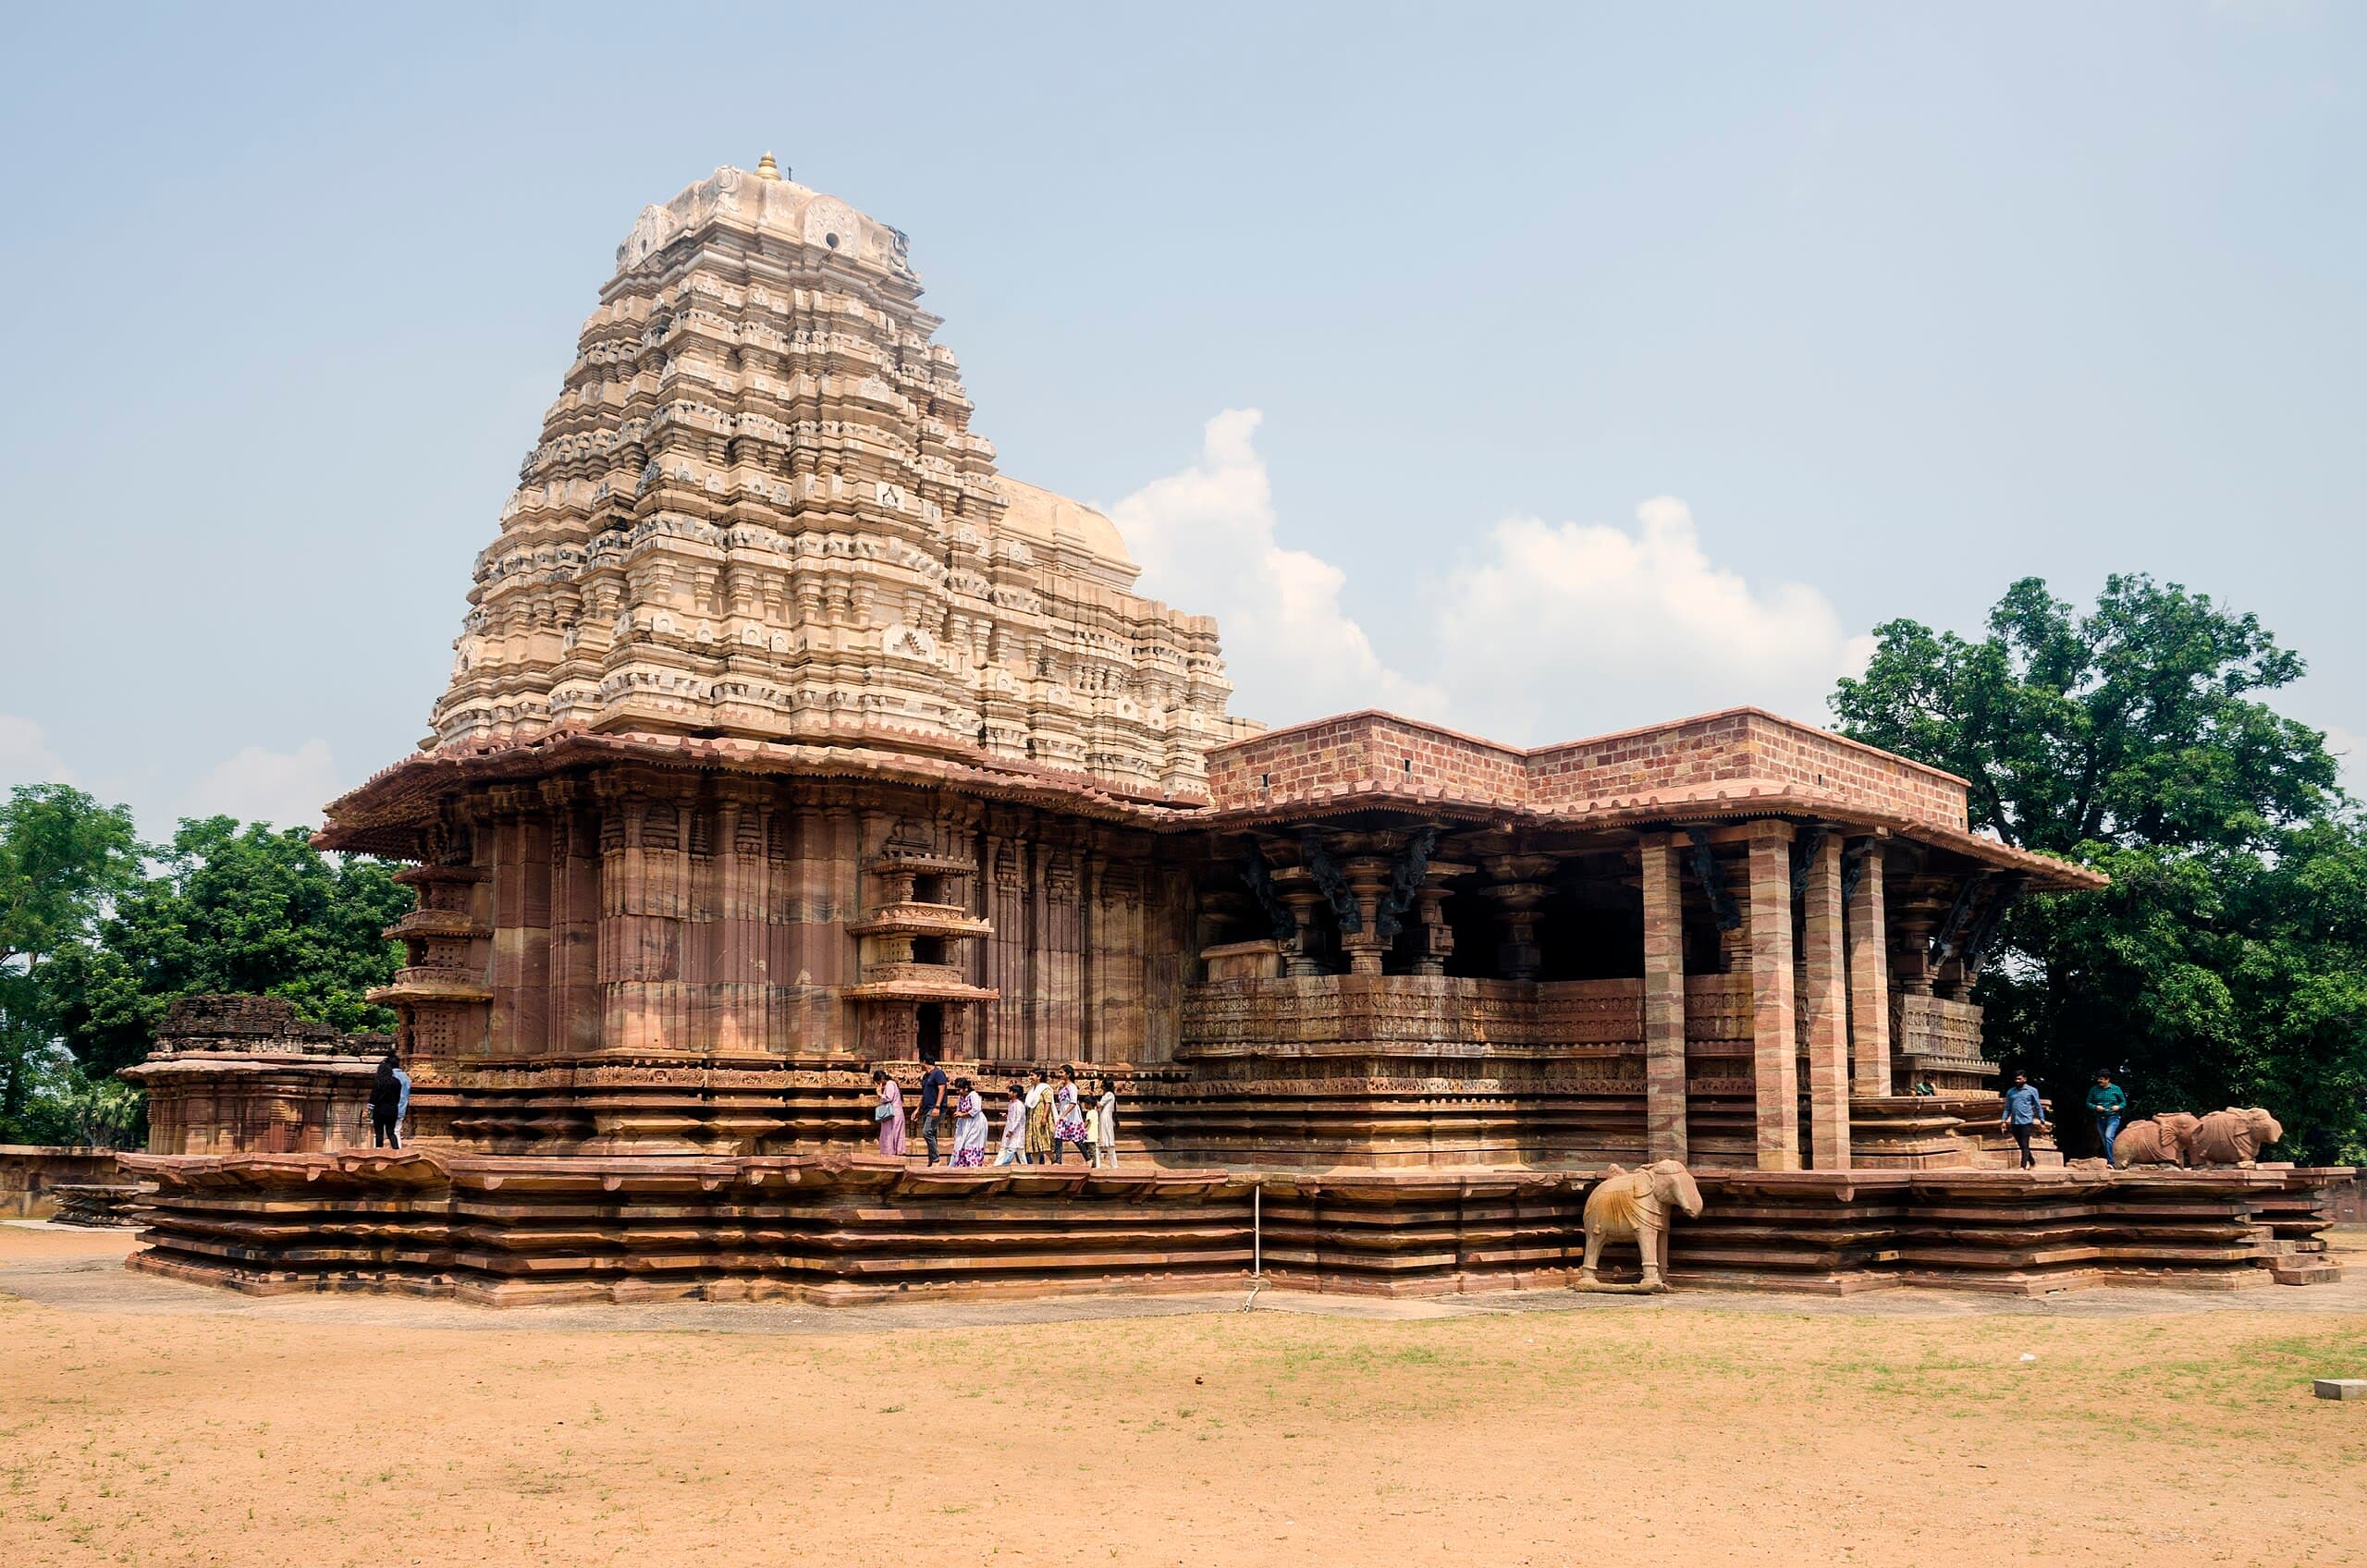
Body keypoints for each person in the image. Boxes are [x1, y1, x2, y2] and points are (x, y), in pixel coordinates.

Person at [1999, 1071, 2047, 1170]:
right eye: (2016, 1079)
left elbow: (2038, 1106)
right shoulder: (2011, 1092)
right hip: (2015, 1121)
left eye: (2019, 1079)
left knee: (2025, 1143)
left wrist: (2042, 1121)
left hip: (2026, 1120)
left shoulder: (2032, 1090)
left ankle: (2023, 1166)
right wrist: (2003, 1121)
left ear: (2025, 1079)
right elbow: (2007, 1107)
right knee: (2021, 1144)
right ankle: (2032, 1162)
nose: (2017, 1081)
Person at [1051, 1066, 1091, 1165]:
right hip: (1063, 1113)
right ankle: (1058, 1161)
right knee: (1058, 1136)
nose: (1060, 1075)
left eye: (1062, 1072)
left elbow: (1073, 1103)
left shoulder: (1072, 1087)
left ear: (1068, 1074)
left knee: (1076, 1138)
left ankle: (1088, 1159)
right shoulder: (1064, 1087)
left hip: (1071, 1115)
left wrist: (1064, 1114)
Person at [2087, 1071, 2128, 1167]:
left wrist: (2118, 1107)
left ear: (2107, 1079)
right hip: (2100, 1118)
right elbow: (2088, 1102)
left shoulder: (2116, 1089)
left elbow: (2124, 1102)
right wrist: (2095, 1107)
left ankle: (2111, 1162)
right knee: (2104, 1140)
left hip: (2113, 1117)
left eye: (2101, 1079)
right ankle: (2113, 1159)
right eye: (2098, 1078)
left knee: (2109, 1137)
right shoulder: (2094, 1089)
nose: (2099, 1081)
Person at [368, 1054, 409, 1149]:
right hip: (393, 1110)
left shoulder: (378, 1082)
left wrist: (370, 1109)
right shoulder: (397, 1082)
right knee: (391, 1133)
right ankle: (396, 1151)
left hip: (379, 1110)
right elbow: (398, 1098)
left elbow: (373, 1097)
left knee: (379, 1133)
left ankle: (378, 1152)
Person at [949, 1077, 989, 1168]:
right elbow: (959, 1109)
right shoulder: (961, 1097)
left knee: (970, 1143)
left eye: (959, 1090)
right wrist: (958, 1115)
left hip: (976, 1123)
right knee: (961, 1143)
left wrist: (962, 1115)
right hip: (964, 1124)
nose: (957, 1092)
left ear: (966, 1088)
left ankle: (973, 1165)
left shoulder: (973, 1095)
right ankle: (962, 1165)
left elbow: (976, 1110)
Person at [917, 1060, 950, 1166]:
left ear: (924, 1062)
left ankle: (936, 1159)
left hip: (936, 1108)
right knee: (932, 1133)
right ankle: (932, 1161)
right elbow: (924, 1094)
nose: (919, 1065)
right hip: (926, 1108)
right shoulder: (926, 1076)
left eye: (920, 1063)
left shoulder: (938, 1073)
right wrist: (918, 1109)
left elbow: (942, 1090)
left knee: (927, 1132)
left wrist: (937, 1107)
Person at [872, 1070, 908, 1158]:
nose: (878, 1084)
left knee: (890, 1133)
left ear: (882, 1078)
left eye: (878, 1082)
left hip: (893, 1114)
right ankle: (897, 1151)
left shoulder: (890, 1084)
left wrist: (879, 1094)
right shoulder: (891, 1084)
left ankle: (891, 1152)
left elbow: (888, 1098)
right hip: (895, 1113)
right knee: (895, 1133)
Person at [994, 1081, 1028, 1167]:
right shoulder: (1011, 1104)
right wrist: (1007, 1115)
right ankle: (997, 1166)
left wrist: (1011, 1131)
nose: (1008, 1093)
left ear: (1015, 1093)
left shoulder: (1019, 1105)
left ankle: (1002, 1166)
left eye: (1010, 1091)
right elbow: (1013, 1117)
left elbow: (1018, 1119)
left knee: (1013, 1149)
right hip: (1010, 1129)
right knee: (1007, 1148)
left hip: (1016, 1131)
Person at [1024, 1069, 1054, 1165]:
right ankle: (1036, 1166)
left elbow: (1048, 1102)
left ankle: (1054, 1160)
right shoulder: (1032, 1090)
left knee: (1043, 1142)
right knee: (1034, 1145)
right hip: (1032, 1119)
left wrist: (1044, 1117)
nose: (1030, 1078)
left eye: (1032, 1075)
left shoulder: (1045, 1088)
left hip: (1041, 1118)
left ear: (1039, 1076)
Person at [1093, 1078, 1118, 1168]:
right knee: (1101, 1143)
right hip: (1103, 1118)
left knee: (1106, 1142)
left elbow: (1099, 1105)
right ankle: (1099, 1165)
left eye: (1102, 1083)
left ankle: (1113, 1166)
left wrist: (1093, 1097)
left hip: (1105, 1119)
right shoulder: (1107, 1095)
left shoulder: (1109, 1094)